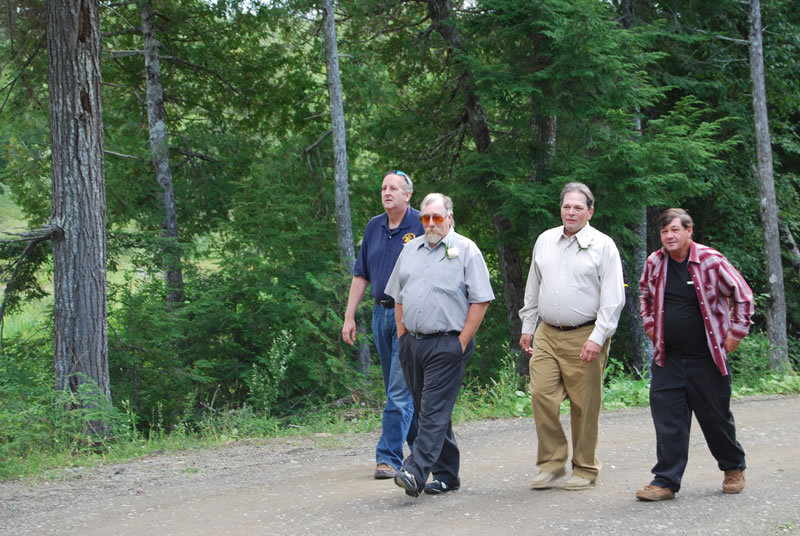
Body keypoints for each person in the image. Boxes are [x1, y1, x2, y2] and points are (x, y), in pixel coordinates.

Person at [635, 208, 753, 502]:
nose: (669, 236)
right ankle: (665, 481)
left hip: (707, 357)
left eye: (675, 230)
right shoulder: (654, 262)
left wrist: (735, 335)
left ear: (689, 231)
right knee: (668, 420)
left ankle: (733, 468)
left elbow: (743, 295)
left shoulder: (710, 261)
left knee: (715, 418)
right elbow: (644, 294)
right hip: (667, 358)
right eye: (664, 232)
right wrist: (650, 325)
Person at [384, 193, 494, 497]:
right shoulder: (410, 250)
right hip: (413, 344)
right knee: (427, 411)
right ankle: (447, 475)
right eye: (426, 218)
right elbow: (399, 296)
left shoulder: (466, 250)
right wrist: (403, 336)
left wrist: (460, 342)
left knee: (432, 410)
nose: (431, 223)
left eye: (437, 217)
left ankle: (414, 471)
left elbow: (481, 299)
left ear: (449, 218)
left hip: (447, 344)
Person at [519, 182, 625, 491]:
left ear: (590, 212)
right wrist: (528, 326)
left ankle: (585, 468)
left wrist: (598, 336)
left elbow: (613, 298)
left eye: (578, 207)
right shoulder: (545, 241)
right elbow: (533, 286)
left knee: (584, 404)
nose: (571, 212)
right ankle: (552, 463)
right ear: (560, 209)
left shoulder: (602, 245)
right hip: (548, 333)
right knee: (540, 394)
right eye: (567, 206)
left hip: (586, 334)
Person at [342, 170, 423, 479]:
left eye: (394, 188)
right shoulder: (374, 226)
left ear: (407, 195)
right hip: (380, 313)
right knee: (403, 388)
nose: (387, 192)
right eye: (384, 188)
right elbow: (361, 273)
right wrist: (350, 316)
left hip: (411, 317)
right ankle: (422, 450)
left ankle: (387, 457)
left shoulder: (420, 225)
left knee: (398, 390)